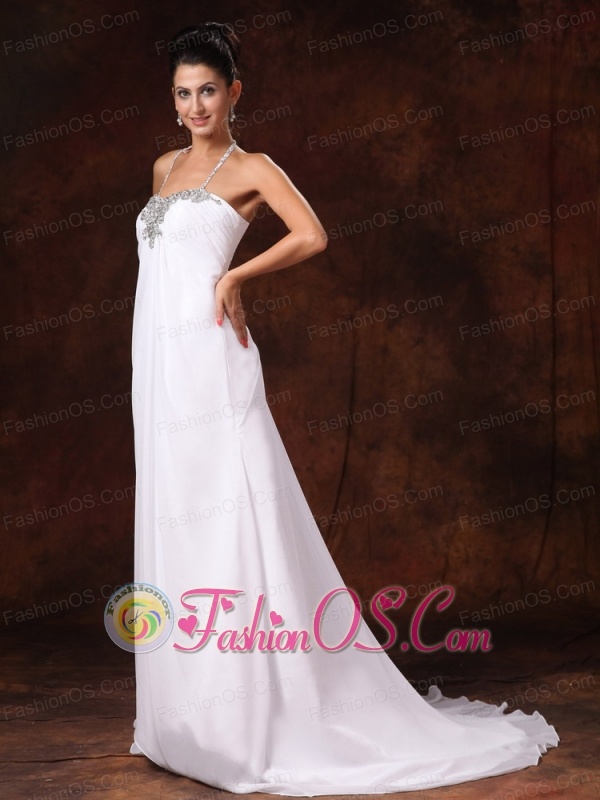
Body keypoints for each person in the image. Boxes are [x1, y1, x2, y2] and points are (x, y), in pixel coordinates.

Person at [129, 21, 559, 795]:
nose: (195, 106)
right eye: (182, 93)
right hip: (158, 366)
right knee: (174, 514)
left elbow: (313, 234)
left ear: (234, 92)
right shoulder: (163, 166)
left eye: (208, 91)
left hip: (211, 358)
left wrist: (235, 279)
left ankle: (243, 723)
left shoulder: (252, 167)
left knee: (231, 518)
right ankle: (181, 718)